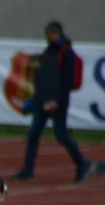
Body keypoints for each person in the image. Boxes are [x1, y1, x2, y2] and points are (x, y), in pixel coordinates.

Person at [12, 21, 92, 184]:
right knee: (33, 134)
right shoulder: (48, 53)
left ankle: (82, 163)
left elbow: (67, 82)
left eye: (52, 33)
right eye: (48, 33)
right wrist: (35, 100)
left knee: (61, 135)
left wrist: (55, 101)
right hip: (42, 100)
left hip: (57, 103)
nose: (49, 37)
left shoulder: (67, 54)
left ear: (59, 34)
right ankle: (27, 170)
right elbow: (42, 79)